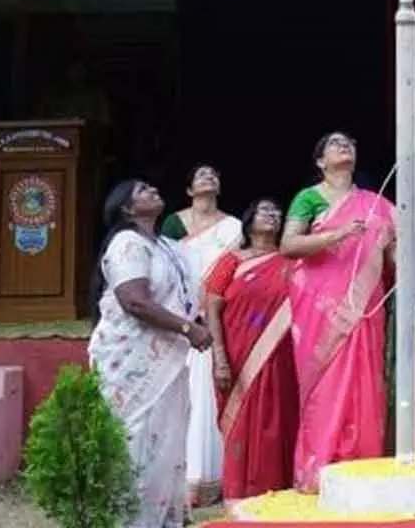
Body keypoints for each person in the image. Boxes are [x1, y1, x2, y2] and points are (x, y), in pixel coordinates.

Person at [88, 179, 212, 528]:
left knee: (166, 442)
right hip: (131, 360)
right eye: (142, 189)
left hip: (168, 358)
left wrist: (194, 321)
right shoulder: (127, 243)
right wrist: (188, 329)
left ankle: (165, 518)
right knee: (134, 441)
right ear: (127, 208)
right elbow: (135, 302)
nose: (154, 190)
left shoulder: (170, 247)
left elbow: (182, 298)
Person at [281, 131, 395, 492]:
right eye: (334, 143)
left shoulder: (377, 204)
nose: (345, 145)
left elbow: (394, 257)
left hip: (363, 309)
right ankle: (321, 472)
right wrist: (338, 234)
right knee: (323, 388)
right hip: (319, 308)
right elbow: (289, 245)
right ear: (320, 161)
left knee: (364, 385)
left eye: (350, 142)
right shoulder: (309, 199)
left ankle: (362, 472)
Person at [203, 198, 300, 504]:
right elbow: (211, 307)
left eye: (277, 211)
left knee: (279, 419)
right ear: (249, 221)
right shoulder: (232, 260)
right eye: (264, 210)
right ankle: (240, 492)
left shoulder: (293, 261)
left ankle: (278, 490)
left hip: (282, 357)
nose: (273, 215)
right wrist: (219, 356)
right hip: (237, 354)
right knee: (242, 419)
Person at [159, 164, 242, 507]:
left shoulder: (233, 227)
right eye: (201, 175)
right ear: (190, 189)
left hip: (219, 318)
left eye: (214, 174)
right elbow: (166, 267)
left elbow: (233, 274)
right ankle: (183, 476)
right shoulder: (173, 224)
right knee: (185, 396)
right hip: (183, 318)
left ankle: (217, 475)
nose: (209, 177)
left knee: (212, 395)